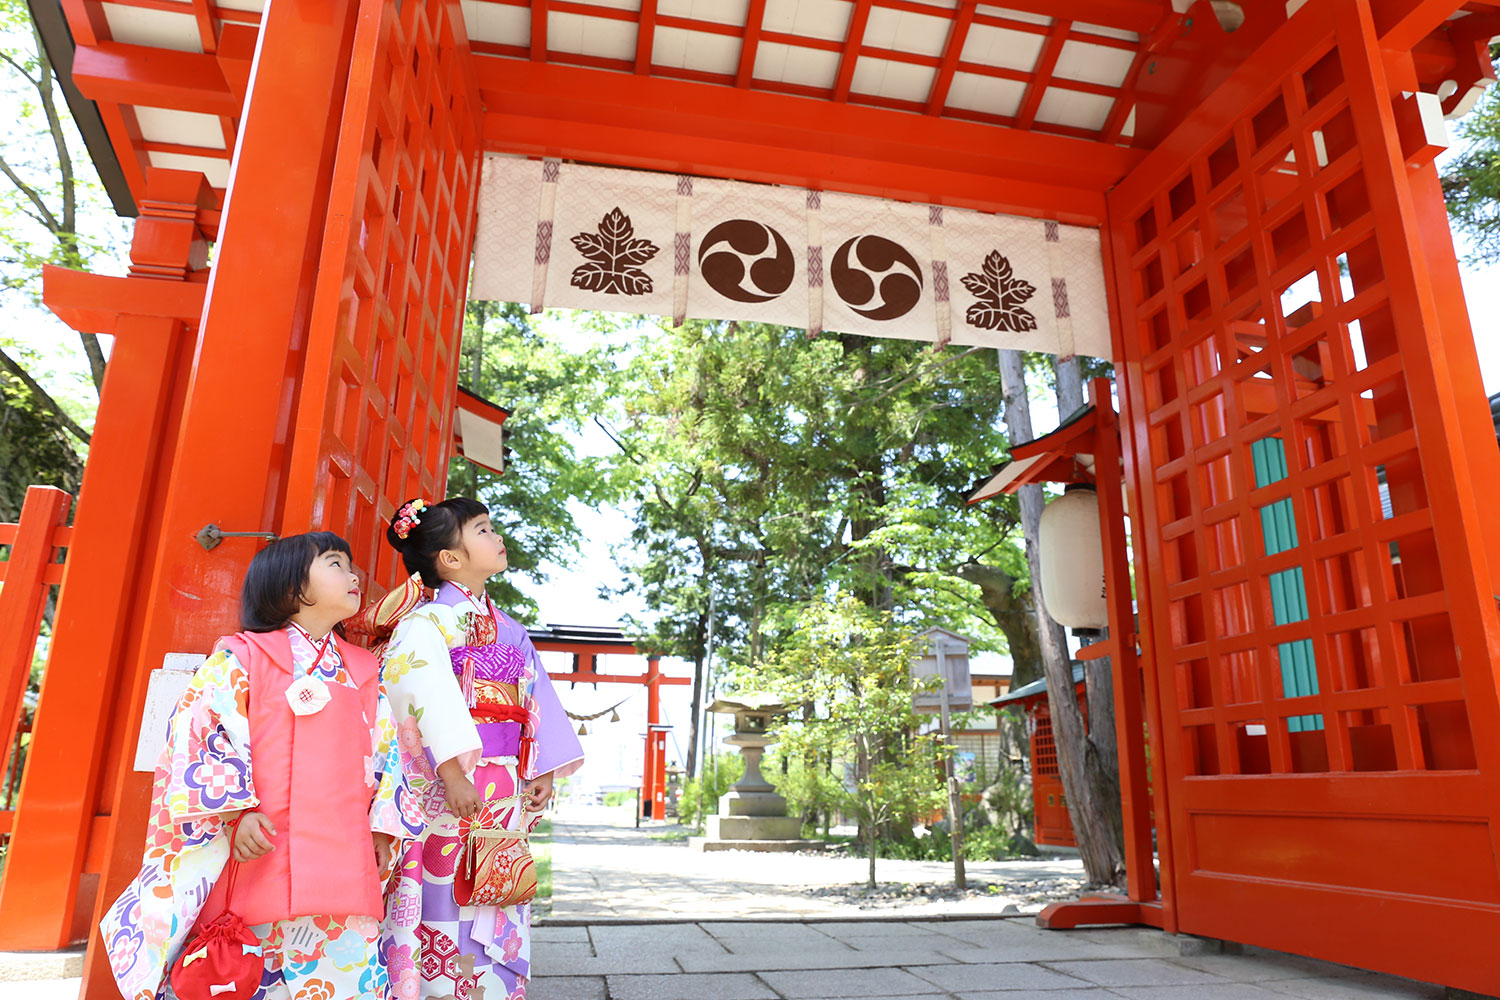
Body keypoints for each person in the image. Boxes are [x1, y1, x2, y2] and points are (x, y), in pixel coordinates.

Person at [101, 532, 421, 1000]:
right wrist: (235, 810)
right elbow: (201, 729)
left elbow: (388, 752)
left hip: (342, 851)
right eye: (335, 564)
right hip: (259, 840)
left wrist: (381, 827)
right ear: (291, 588)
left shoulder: (361, 669)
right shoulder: (243, 657)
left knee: (345, 968)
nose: (353, 575)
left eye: (350, 566)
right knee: (250, 971)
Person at [375, 497, 583, 1000]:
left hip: (504, 784)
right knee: (444, 891)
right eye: (484, 530)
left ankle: (495, 987)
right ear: (450, 559)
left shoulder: (510, 628)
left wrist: (542, 768)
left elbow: (537, 699)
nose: (497, 537)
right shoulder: (423, 626)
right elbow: (419, 697)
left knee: (499, 888)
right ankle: (439, 990)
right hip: (450, 789)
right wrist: (451, 773)